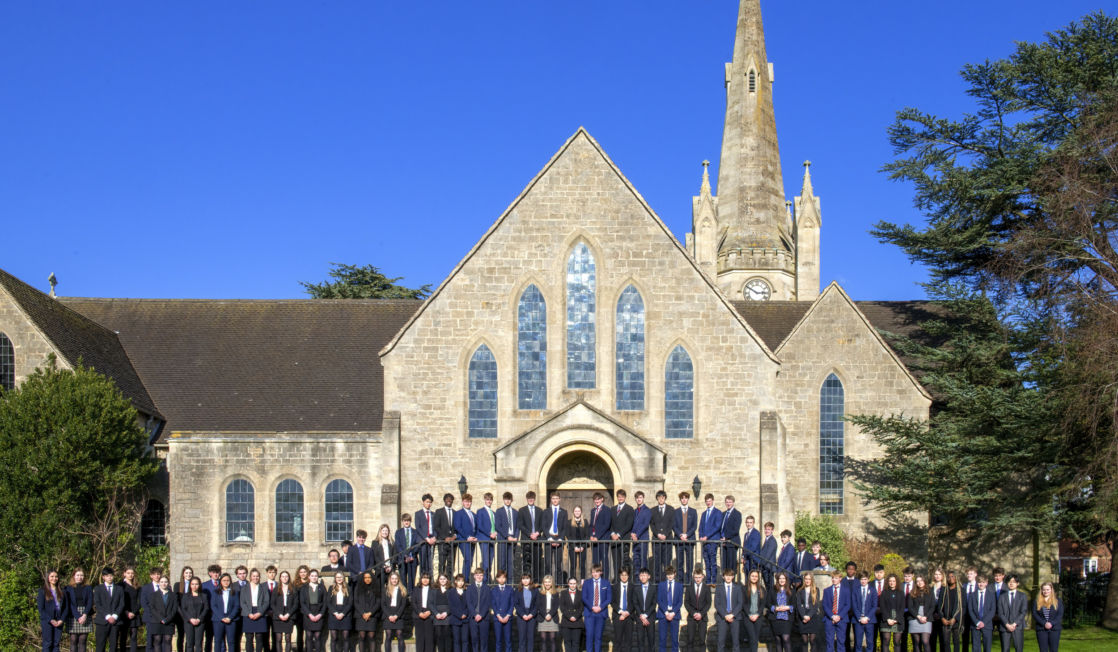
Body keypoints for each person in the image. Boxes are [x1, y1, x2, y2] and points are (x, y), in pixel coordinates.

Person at [93, 567, 124, 652]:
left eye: (111, 576)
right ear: (103, 577)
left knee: (113, 646)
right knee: (100, 645)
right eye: (107, 576)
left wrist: (114, 616)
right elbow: (98, 604)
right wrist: (107, 616)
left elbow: (121, 604)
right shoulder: (98, 589)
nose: (109, 577)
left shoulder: (119, 589)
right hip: (102, 621)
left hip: (115, 621)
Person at [581, 564, 610, 652]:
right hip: (590, 613)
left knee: (598, 637)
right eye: (593, 572)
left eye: (597, 572)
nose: (595, 574)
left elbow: (609, 598)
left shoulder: (606, 583)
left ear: (601, 572)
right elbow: (584, 597)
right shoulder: (586, 583)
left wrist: (600, 607)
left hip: (601, 613)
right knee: (589, 637)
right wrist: (592, 607)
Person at [240, 570, 270, 652]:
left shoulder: (264, 588)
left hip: (260, 613)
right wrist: (249, 613)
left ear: (259, 577)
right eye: (254, 576)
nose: (255, 578)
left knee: (259, 637)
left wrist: (260, 612)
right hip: (248, 613)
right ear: (250, 577)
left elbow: (266, 601)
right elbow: (242, 602)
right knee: (249, 637)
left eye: (257, 576)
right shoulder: (244, 588)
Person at [38, 570, 68, 652]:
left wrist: (62, 620)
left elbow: (66, 608)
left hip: (59, 621)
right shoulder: (42, 591)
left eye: (56, 576)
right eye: (52, 576)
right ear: (48, 578)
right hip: (47, 621)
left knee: (56, 644)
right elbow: (41, 609)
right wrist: (50, 620)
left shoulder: (63, 591)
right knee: (48, 643)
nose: (54, 578)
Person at [714, 567, 742, 652]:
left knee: (736, 642)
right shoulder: (719, 588)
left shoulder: (737, 588)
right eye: (726, 575)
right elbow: (717, 604)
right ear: (723, 577)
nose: (728, 577)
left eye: (730, 575)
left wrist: (732, 614)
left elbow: (740, 603)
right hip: (723, 617)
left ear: (733, 576)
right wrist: (725, 615)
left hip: (735, 617)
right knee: (721, 642)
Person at [996, 575, 1028, 652]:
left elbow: (1023, 611)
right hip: (1005, 627)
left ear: (1017, 583)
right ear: (1007, 583)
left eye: (1013, 582)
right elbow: (1000, 613)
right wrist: (1007, 624)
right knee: (1005, 649)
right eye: (1009, 582)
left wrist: (1014, 624)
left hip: (1017, 626)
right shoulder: (1002, 596)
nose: (1011, 583)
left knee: (1019, 648)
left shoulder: (1022, 596)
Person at [519, 492, 546, 582]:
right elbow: (520, 525)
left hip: (537, 540)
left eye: (532, 498)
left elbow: (543, 525)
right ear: (527, 499)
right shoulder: (522, 510)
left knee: (537, 561)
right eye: (529, 498)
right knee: (527, 562)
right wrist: (530, 534)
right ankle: (527, 581)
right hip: (527, 540)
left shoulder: (540, 510)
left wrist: (537, 533)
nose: (530, 500)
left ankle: (536, 581)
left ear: (534, 499)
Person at [822, 571, 851, 652]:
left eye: (836, 578)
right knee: (829, 643)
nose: (834, 580)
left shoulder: (846, 590)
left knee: (841, 642)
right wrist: (832, 616)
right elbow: (825, 605)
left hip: (842, 619)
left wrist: (839, 616)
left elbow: (847, 605)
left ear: (840, 579)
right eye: (833, 578)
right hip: (829, 619)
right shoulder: (827, 590)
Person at [298, 570, 326, 652]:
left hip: (318, 613)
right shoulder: (304, 588)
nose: (314, 577)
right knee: (309, 636)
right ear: (309, 577)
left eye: (316, 576)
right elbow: (302, 602)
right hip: (308, 614)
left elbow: (325, 602)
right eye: (312, 576)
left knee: (317, 636)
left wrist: (320, 614)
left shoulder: (322, 587)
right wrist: (309, 614)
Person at [683, 567, 710, 652]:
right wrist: (693, 613)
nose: (697, 579)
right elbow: (686, 602)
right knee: (690, 640)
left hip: (703, 617)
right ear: (693, 577)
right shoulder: (689, 588)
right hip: (692, 616)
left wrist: (701, 614)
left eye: (699, 577)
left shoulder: (706, 588)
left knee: (702, 640)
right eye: (696, 577)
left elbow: (708, 603)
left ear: (702, 577)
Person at [698, 494, 724, 584]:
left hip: (712, 540)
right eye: (707, 501)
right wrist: (701, 536)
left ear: (713, 500)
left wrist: (707, 536)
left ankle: (713, 581)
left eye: (709, 501)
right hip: (704, 542)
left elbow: (717, 526)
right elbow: (701, 526)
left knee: (713, 561)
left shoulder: (718, 512)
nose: (708, 502)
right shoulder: (704, 514)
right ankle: (708, 581)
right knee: (706, 562)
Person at [465, 567, 492, 652]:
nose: (479, 577)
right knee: (474, 640)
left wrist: (481, 615)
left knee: (484, 641)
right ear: (474, 576)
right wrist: (475, 614)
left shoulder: (487, 588)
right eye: (477, 575)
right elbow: (469, 603)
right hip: (473, 618)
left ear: (483, 576)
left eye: (481, 575)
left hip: (484, 618)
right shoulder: (469, 588)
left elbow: (488, 603)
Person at [67, 568, 95, 652]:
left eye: (81, 575)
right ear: (74, 576)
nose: (80, 577)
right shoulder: (68, 588)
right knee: (73, 639)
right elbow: (69, 603)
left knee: (83, 640)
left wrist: (85, 614)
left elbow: (90, 601)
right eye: (78, 575)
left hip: (85, 613)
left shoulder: (88, 587)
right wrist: (77, 616)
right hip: (73, 614)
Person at [658, 565, 684, 652]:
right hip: (663, 614)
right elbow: (659, 600)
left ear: (675, 574)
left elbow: (680, 601)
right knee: (662, 640)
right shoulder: (661, 585)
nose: (670, 576)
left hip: (674, 615)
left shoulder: (679, 586)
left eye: (671, 574)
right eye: (668, 574)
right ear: (666, 575)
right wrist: (666, 612)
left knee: (674, 640)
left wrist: (673, 613)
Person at [211, 574, 240, 652]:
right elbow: (213, 606)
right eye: (224, 580)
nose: (226, 582)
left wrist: (230, 617)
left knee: (231, 641)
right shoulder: (215, 592)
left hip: (231, 620)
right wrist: (221, 617)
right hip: (218, 620)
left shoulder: (234, 592)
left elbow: (236, 606)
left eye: (228, 580)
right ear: (220, 582)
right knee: (218, 641)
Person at [270, 572, 298, 652]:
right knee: (278, 638)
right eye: (283, 576)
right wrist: (279, 614)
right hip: (278, 616)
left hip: (289, 615)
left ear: (289, 578)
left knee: (288, 638)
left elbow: (296, 604)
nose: (285, 578)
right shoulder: (276, 589)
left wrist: (288, 614)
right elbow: (272, 603)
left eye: (286, 576)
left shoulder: (293, 589)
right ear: (280, 578)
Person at [650, 491, 675, 582]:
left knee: (667, 561)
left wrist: (665, 534)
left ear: (665, 498)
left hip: (667, 540)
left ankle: (666, 580)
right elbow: (652, 524)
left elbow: (671, 523)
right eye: (659, 497)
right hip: (656, 540)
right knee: (657, 562)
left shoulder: (671, 509)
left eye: (663, 497)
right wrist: (658, 534)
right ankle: (657, 581)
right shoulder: (652, 510)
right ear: (657, 498)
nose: (661, 499)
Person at [180, 577, 210, 652]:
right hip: (189, 622)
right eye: (193, 584)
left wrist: (199, 618)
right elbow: (183, 609)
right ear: (190, 585)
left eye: (196, 584)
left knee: (199, 643)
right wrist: (190, 618)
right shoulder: (186, 596)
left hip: (200, 622)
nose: (194, 586)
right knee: (189, 643)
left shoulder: (203, 596)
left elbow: (206, 608)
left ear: (199, 585)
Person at [795, 571, 823, 652]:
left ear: (812, 580)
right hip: (802, 616)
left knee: (812, 640)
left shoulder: (816, 590)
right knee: (804, 640)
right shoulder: (800, 590)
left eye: (809, 579)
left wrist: (809, 616)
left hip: (813, 616)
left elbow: (816, 605)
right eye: (806, 579)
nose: (807, 581)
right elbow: (799, 604)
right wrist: (803, 616)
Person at [611, 490, 636, 580]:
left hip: (624, 539)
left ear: (625, 497)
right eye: (619, 496)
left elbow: (629, 524)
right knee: (615, 562)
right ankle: (617, 580)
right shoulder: (613, 509)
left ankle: (625, 580)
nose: (620, 498)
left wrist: (619, 534)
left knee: (624, 561)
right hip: (614, 541)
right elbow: (610, 524)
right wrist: (613, 534)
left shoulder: (629, 509)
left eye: (622, 496)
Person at [906, 575, 935, 652]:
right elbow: (910, 607)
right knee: (916, 642)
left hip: (927, 618)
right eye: (918, 581)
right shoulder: (912, 593)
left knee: (925, 641)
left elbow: (932, 606)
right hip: (914, 618)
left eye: (921, 580)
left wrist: (925, 617)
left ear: (924, 581)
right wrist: (918, 617)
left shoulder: (930, 592)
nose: (920, 583)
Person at [966, 576, 994, 652]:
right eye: (979, 582)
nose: (981, 584)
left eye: (983, 582)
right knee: (975, 647)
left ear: (986, 583)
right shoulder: (972, 595)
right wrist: (977, 622)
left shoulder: (991, 595)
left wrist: (983, 622)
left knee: (987, 647)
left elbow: (992, 610)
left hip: (987, 624)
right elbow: (970, 610)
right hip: (975, 624)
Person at [544, 493, 568, 581]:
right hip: (548, 539)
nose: (555, 500)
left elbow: (565, 527)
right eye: (553, 498)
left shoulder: (564, 512)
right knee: (548, 563)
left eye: (556, 498)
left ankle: (558, 583)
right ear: (551, 499)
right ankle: (548, 582)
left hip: (559, 539)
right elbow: (544, 526)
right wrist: (549, 538)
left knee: (558, 563)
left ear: (559, 499)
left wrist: (560, 539)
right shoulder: (546, 511)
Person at [767, 572, 794, 652]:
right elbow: (768, 603)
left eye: (783, 578)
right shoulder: (772, 590)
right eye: (780, 578)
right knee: (778, 640)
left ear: (786, 580)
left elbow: (795, 604)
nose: (782, 580)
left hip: (787, 619)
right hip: (775, 618)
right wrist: (775, 608)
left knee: (786, 638)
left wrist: (788, 607)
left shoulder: (791, 590)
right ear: (777, 580)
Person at [382, 572, 408, 652]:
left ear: (398, 580)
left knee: (399, 635)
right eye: (392, 578)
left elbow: (403, 605)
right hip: (388, 614)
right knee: (388, 635)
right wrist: (389, 615)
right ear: (390, 579)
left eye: (396, 579)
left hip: (398, 615)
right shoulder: (386, 589)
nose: (394, 580)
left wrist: (397, 616)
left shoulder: (402, 589)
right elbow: (383, 604)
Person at [851, 572, 877, 652]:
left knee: (870, 642)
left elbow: (874, 606)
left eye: (865, 579)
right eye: (861, 579)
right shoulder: (855, 590)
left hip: (869, 620)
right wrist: (860, 617)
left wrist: (867, 617)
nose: (863, 581)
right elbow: (854, 605)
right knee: (858, 642)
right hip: (858, 620)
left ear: (868, 580)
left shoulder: (873, 590)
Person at [588, 493, 612, 580]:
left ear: (602, 499)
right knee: (595, 561)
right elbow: (591, 525)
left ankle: (605, 579)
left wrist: (597, 536)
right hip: (594, 540)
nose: (597, 501)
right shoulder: (593, 510)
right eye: (595, 499)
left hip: (603, 539)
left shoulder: (607, 510)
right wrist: (591, 535)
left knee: (604, 560)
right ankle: (596, 578)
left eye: (598, 499)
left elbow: (606, 525)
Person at [496, 493, 520, 579]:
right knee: (502, 563)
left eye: (509, 499)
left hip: (512, 540)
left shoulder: (515, 512)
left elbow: (517, 526)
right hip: (503, 539)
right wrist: (507, 536)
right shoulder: (499, 511)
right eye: (506, 499)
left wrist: (516, 537)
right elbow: (498, 526)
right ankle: (501, 582)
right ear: (503, 500)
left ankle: (510, 584)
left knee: (510, 563)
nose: (507, 501)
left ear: (512, 500)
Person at [455, 495, 479, 579]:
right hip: (464, 540)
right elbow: (458, 527)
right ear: (462, 502)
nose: (467, 503)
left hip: (472, 541)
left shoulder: (474, 514)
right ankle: (464, 580)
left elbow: (476, 528)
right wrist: (467, 537)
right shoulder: (459, 513)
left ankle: (466, 579)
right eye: (466, 501)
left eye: (469, 501)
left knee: (470, 561)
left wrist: (476, 537)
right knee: (468, 559)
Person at [673, 493, 697, 579]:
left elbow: (694, 526)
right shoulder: (675, 512)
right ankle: (681, 580)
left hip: (689, 540)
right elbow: (674, 526)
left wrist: (686, 535)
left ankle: (689, 580)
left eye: (686, 498)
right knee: (679, 562)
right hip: (679, 540)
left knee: (689, 562)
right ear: (680, 499)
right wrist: (680, 535)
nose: (684, 500)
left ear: (688, 499)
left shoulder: (693, 511)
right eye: (682, 498)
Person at [326, 573, 352, 652]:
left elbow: (350, 602)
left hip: (345, 613)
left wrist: (343, 613)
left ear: (343, 578)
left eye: (340, 577)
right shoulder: (331, 588)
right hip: (334, 613)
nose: (339, 579)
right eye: (337, 577)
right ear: (335, 578)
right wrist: (335, 613)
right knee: (334, 637)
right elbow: (328, 602)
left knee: (345, 637)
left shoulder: (348, 588)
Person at [1033, 582, 1062, 652]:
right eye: (1044, 590)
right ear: (1041, 590)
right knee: (1043, 650)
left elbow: (1059, 615)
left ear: (1051, 590)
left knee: (1054, 649)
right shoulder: (1036, 601)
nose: (1045, 591)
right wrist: (1044, 623)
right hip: (1041, 629)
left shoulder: (1058, 601)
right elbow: (1035, 614)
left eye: (1048, 589)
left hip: (1054, 629)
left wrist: (1051, 623)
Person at [634, 568, 658, 652]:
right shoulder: (636, 588)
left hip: (650, 617)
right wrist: (641, 615)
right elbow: (635, 603)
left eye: (644, 575)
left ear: (649, 576)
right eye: (641, 575)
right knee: (640, 641)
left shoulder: (653, 588)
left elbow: (654, 604)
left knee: (651, 641)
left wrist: (646, 615)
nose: (643, 577)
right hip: (639, 617)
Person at [939, 571, 964, 652]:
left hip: (956, 620)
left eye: (953, 576)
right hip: (945, 619)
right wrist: (942, 618)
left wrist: (955, 618)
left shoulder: (961, 590)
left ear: (956, 578)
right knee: (946, 642)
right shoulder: (944, 589)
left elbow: (963, 607)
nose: (951, 578)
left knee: (956, 642)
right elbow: (939, 605)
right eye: (949, 577)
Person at [435, 494, 460, 576]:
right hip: (443, 542)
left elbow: (457, 527)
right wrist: (444, 537)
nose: (449, 500)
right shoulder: (439, 512)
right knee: (442, 563)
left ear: (452, 501)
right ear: (444, 500)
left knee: (451, 563)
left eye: (450, 499)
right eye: (447, 499)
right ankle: (440, 580)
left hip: (453, 543)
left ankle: (450, 582)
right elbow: (436, 526)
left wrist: (454, 536)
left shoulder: (455, 513)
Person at [411, 573, 436, 652]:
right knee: (420, 637)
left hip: (429, 615)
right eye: (423, 578)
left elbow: (435, 602)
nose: (425, 580)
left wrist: (429, 611)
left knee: (429, 638)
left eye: (427, 578)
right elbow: (413, 602)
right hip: (418, 615)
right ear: (420, 579)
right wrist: (419, 613)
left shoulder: (433, 590)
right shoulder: (416, 589)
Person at [879, 575, 904, 652]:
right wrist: (887, 619)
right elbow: (882, 607)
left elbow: (902, 607)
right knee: (886, 640)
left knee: (897, 641)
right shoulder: (884, 592)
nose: (892, 583)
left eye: (893, 581)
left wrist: (896, 619)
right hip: (886, 619)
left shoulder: (901, 593)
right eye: (890, 581)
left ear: (896, 582)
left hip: (898, 619)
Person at [743, 569, 766, 652]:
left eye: (756, 576)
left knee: (755, 639)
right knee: (752, 637)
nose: (754, 578)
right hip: (748, 617)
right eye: (752, 576)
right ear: (749, 577)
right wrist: (749, 614)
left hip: (758, 617)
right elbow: (743, 603)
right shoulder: (744, 588)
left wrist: (757, 614)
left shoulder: (762, 589)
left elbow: (763, 604)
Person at [614, 567, 636, 652]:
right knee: (617, 641)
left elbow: (634, 601)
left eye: (626, 575)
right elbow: (613, 602)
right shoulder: (615, 587)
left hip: (629, 617)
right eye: (622, 575)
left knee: (628, 641)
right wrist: (620, 612)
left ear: (628, 576)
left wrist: (627, 612)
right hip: (618, 616)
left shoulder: (633, 587)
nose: (624, 577)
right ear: (619, 576)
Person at [416, 494, 438, 578]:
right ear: (423, 502)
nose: (429, 504)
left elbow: (436, 527)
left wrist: (434, 537)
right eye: (427, 502)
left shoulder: (433, 514)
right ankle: (422, 579)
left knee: (430, 562)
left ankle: (430, 580)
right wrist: (426, 538)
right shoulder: (418, 514)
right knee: (423, 562)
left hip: (432, 540)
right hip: (423, 541)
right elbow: (418, 528)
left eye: (430, 502)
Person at [492, 571, 515, 652]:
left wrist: (508, 615)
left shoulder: (510, 589)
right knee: (498, 641)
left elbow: (512, 603)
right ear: (497, 579)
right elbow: (493, 604)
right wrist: (498, 615)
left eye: (503, 577)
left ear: (505, 579)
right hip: (497, 619)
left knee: (508, 640)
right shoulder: (494, 590)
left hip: (507, 618)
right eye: (500, 577)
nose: (502, 579)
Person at [477, 494, 499, 580]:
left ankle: (488, 578)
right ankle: (485, 580)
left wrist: (495, 533)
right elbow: (480, 525)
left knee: (490, 560)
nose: (489, 501)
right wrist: (489, 533)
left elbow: (496, 525)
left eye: (490, 500)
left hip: (492, 540)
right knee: (485, 561)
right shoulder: (480, 511)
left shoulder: (493, 513)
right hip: (484, 538)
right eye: (487, 500)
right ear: (484, 500)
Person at [119, 568, 141, 652]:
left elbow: (140, 601)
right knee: (123, 636)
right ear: (124, 573)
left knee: (134, 636)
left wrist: (134, 612)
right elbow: (119, 600)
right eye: (128, 573)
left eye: (132, 573)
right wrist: (126, 612)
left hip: (134, 613)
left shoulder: (137, 586)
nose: (130, 575)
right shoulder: (120, 585)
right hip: (123, 613)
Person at [559, 577, 583, 652]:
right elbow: (562, 607)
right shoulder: (563, 593)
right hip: (566, 621)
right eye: (571, 583)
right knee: (567, 642)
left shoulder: (581, 593)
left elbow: (582, 607)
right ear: (568, 584)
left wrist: (575, 616)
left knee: (576, 643)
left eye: (574, 583)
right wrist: (569, 616)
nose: (572, 585)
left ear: (576, 584)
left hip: (577, 621)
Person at [536, 575, 560, 652]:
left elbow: (556, 605)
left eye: (549, 582)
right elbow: (538, 605)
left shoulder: (555, 593)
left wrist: (550, 614)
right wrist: (545, 615)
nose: (547, 584)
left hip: (552, 617)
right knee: (543, 639)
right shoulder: (540, 593)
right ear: (543, 583)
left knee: (552, 639)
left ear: (551, 583)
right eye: (545, 582)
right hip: (543, 617)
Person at [515, 573, 538, 652]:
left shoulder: (535, 590)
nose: (525, 580)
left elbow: (537, 604)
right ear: (521, 580)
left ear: (530, 579)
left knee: (530, 638)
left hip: (532, 615)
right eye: (523, 578)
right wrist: (523, 614)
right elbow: (516, 604)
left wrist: (532, 614)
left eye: (527, 578)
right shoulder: (517, 590)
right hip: (521, 616)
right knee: (522, 638)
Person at [175, 568, 197, 652]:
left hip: (191, 615)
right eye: (186, 573)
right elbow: (176, 602)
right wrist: (183, 615)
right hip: (180, 615)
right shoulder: (177, 585)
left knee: (190, 637)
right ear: (183, 574)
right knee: (181, 636)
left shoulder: (195, 585)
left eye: (190, 573)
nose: (188, 574)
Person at [720, 497, 742, 579]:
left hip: (732, 543)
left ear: (733, 502)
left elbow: (736, 530)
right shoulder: (723, 514)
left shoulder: (737, 514)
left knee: (731, 565)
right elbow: (721, 528)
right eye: (727, 502)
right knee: (724, 565)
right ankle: (725, 581)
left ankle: (732, 583)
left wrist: (726, 537)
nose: (728, 503)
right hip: (723, 543)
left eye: (730, 502)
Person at [632, 492, 653, 575]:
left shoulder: (647, 510)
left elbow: (645, 524)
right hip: (635, 540)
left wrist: (637, 534)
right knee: (636, 559)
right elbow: (632, 524)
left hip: (643, 538)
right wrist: (632, 534)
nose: (638, 499)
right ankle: (637, 579)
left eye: (640, 497)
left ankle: (644, 578)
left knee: (643, 560)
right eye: (637, 498)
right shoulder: (635, 511)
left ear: (643, 498)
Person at [448, 574, 470, 652]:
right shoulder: (451, 592)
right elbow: (451, 606)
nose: (460, 583)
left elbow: (469, 605)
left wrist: (465, 614)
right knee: (456, 641)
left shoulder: (467, 592)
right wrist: (459, 615)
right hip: (455, 619)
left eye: (462, 581)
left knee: (465, 641)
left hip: (465, 620)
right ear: (455, 582)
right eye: (459, 581)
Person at [393, 516, 417, 588]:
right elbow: (398, 545)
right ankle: (404, 595)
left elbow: (417, 545)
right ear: (402, 521)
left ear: (410, 521)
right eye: (405, 521)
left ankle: (411, 595)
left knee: (412, 579)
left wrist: (411, 555)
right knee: (403, 579)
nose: (406, 522)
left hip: (412, 559)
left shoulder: (415, 532)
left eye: (408, 520)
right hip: (402, 559)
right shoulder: (398, 532)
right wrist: (405, 556)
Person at [433, 574, 453, 652]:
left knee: (447, 636)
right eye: (441, 579)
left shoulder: (450, 590)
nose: (442, 580)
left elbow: (453, 603)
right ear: (438, 580)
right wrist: (436, 613)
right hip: (437, 615)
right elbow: (430, 603)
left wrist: (446, 613)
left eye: (444, 579)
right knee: (439, 636)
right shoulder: (434, 590)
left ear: (447, 580)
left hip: (447, 616)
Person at [568, 506, 588, 581]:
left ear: (581, 512)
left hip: (582, 546)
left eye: (578, 511)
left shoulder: (585, 521)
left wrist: (582, 547)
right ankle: (572, 581)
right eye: (575, 511)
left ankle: (582, 581)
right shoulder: (569, 522)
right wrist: (574, 547)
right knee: (573, 565)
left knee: (582, 565)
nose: (577, 512)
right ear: (573, 512)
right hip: (572, 547)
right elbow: (568, 535)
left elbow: (587, 535)